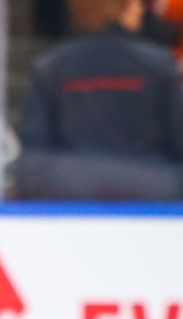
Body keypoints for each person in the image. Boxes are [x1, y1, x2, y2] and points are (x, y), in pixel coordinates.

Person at [15, 0, 183, 199]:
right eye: (135, 3)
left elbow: (34, 146)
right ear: (119, 8)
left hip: (69, 187)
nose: (141, 9)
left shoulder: (52, 65)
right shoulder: (159, 64)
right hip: (151, 187)